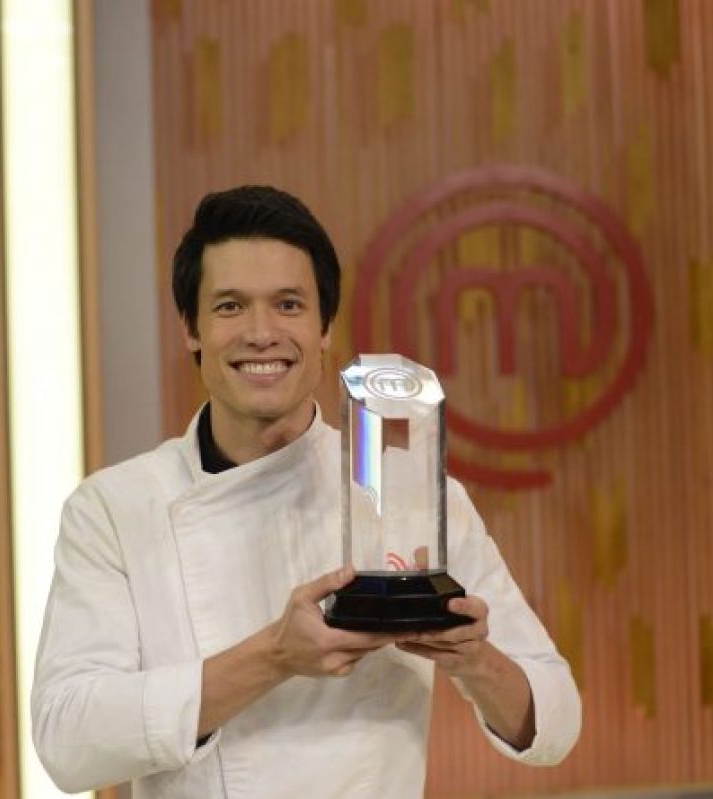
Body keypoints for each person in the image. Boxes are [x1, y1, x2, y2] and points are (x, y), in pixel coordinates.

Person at [31, 186, 581, 797]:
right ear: (191, 328)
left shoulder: (414, 496)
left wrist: (473, 659)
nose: (261, 333)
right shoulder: (115, 509)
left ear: (324, 329)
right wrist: (275, 655)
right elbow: (67, 742)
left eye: (288, 305)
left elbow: (556, 724)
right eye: (230, 306)